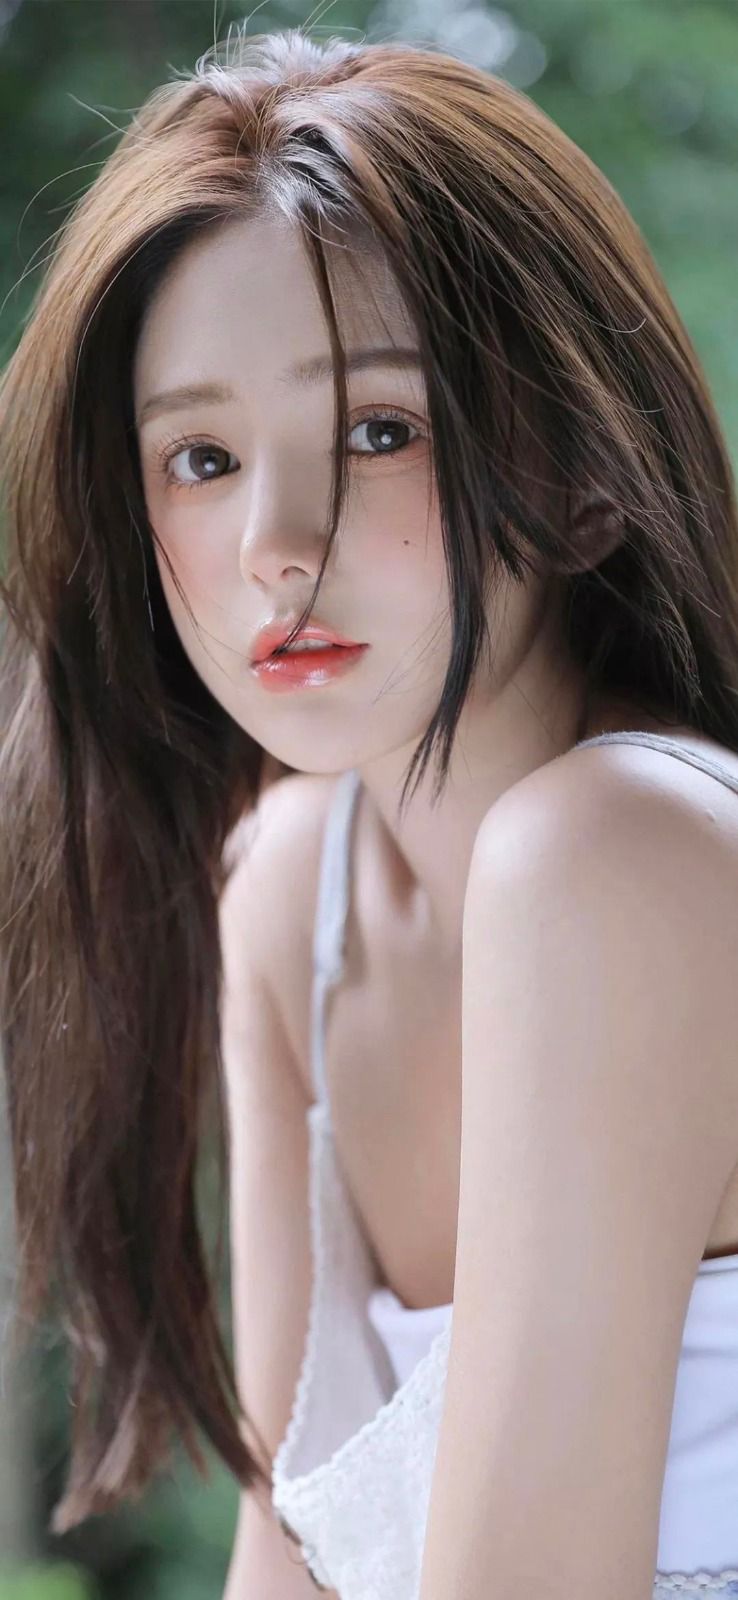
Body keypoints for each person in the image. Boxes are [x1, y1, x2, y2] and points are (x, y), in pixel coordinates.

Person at [2, 24, 738, 1600]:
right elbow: (286, 1562)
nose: (274, 541)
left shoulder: (622, 851)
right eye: (201, 457)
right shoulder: (294, 892)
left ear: (585, 478)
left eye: (377, 431)